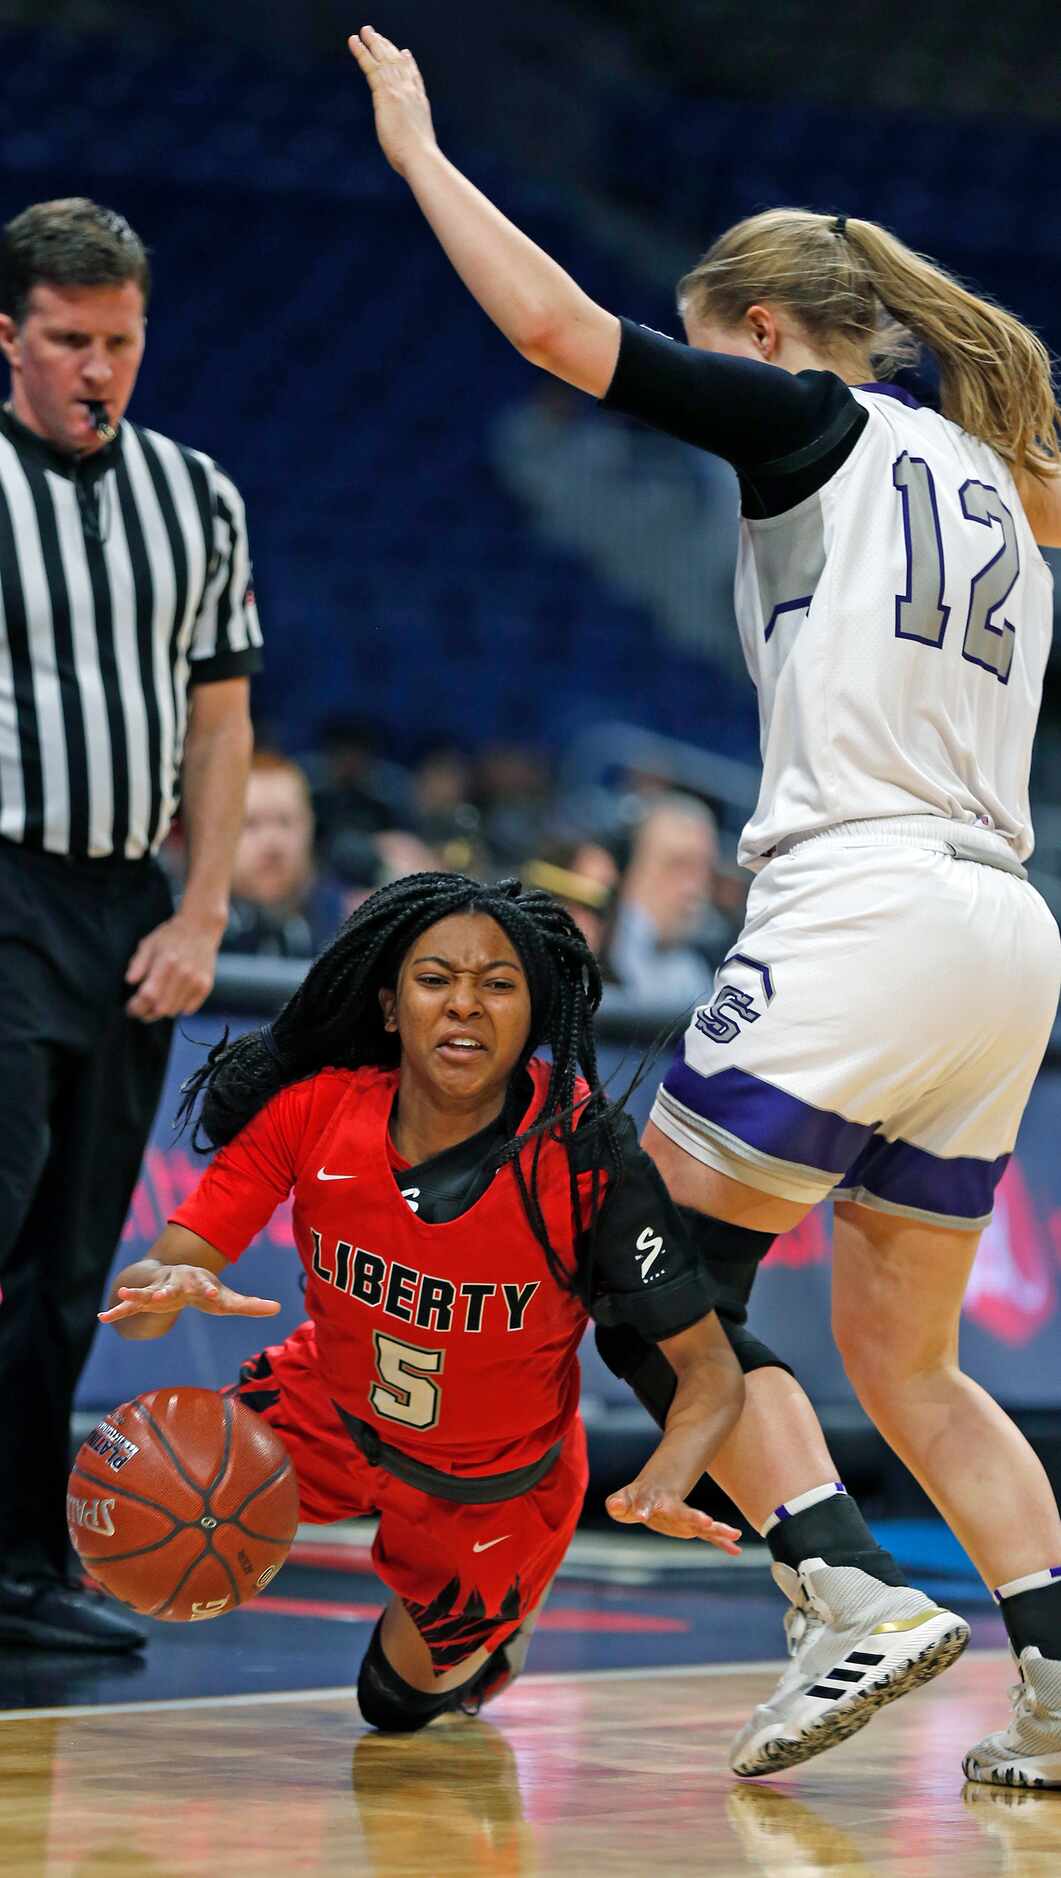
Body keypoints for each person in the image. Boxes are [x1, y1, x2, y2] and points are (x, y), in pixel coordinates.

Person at [348, 28, 1061, 1785]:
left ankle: (842, 1585)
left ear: (757, 331)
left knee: (627, 1256)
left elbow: (549, 330)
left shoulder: (806, 416)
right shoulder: (1001, 480)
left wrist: (421, 151)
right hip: (1007, 927)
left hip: (870, 902)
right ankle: (1053, 1674)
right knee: (911, 1359)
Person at [99, 873, 745, 1727]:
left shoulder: (586, 1156)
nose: (464, 1006)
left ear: (536, 1013)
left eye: (497, 984)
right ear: (392, 1007)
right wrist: (162, 1288)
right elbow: (142, 1307)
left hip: (496, 1482)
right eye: (436, 980)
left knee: (393, 1704)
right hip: (327, 1413)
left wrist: (665, 1479)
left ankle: (502, 1629)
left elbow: (710, 1369)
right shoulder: (313, 1113)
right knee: (147, 1525)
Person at [0, 197, 260, 1653]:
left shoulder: (198, 497)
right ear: (9, 339)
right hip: (3, 876)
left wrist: (207, 908)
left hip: (127, 903)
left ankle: (24, 1557)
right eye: (69, 339)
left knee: (73, 1258)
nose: (99, 367)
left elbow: (220, 723)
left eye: (122, 340)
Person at [222, 749, 346, 959]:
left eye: (285, 822)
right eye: (251, 824)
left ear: (310, 828)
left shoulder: (352, 926)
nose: (273, 843)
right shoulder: (179, 934)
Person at [608, 794, 729, 1002]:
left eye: (705, 870)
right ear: (627, 869)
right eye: (678, 866)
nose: (695, 888)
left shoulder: (694, 973)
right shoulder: (593, 947)